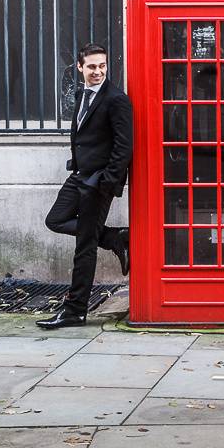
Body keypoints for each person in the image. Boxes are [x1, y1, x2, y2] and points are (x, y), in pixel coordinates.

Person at [38, 43, 133, 329]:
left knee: (85, 247)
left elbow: (124, 146)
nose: (98, 71)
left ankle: (75, 310)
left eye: (102, 65)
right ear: (80, 67)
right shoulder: (82, 95)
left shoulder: (116, 99)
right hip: (79, 175)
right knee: (54, 219)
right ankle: (115, 238)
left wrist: (107, 183)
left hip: (97, 182)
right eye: (92, 66)